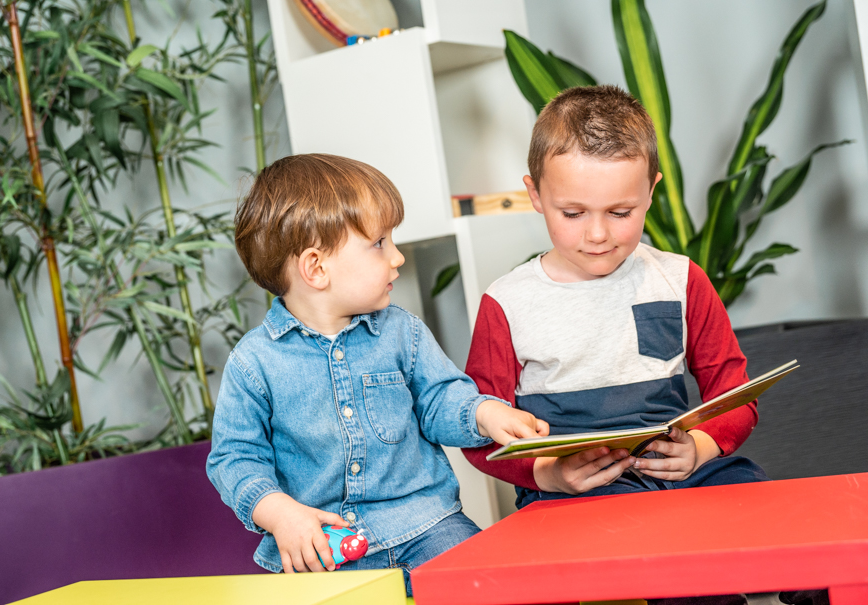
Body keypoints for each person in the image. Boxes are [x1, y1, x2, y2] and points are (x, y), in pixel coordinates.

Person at [206, 153, 548, 597]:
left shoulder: (401, 331)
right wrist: (278, 513)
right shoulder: (253, 364)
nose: (397, 257)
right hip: (322, 553)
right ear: (316, 268)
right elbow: (235, 459)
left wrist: (483, 413)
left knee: (498, 589)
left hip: (429, 525)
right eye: (380, 243)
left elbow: (439, 398)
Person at [462, 84, 770, 509]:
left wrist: (700, 447)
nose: (597, 234)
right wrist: (549, 472)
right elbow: (475, 428)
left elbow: (734, 392)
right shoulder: (506, 302)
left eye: (620, 213)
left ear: (649, 191)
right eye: (572, 213)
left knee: (755, 497)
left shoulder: (681, 279)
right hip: (572, 489)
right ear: (535, 195)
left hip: (678, 471)